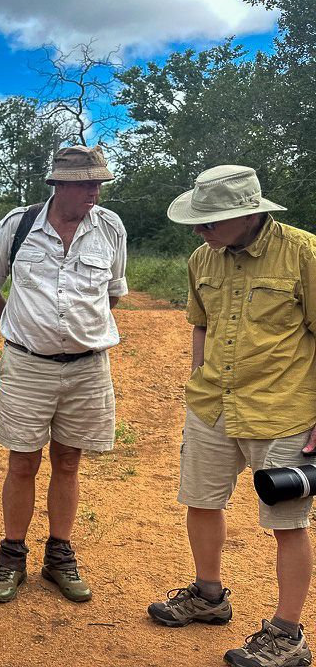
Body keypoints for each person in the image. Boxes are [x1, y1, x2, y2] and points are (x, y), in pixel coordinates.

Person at [147, 165, 316, 667]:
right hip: (212, 406)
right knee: (200, 502)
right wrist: (198, 376)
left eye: (211, 221)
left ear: (248, 214)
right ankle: (208, 596)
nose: (200, 230)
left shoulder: (304, 253)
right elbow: (200, 324)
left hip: (282, 409)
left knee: (288, 522)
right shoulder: (202, 256)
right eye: (198, 221)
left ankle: (288, 636)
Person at [0, 145, 127, 604]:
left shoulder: (111, 227)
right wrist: (16, 326)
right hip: (27, 366)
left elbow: (112, 293)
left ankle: (59, 556)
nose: (95, 192)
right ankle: (12, 557)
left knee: (68, 461)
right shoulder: (17, 225)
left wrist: (77, 331)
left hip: (87, 368)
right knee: (22, 461)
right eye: (86, 184)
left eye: (99, 183)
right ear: (59, 185)